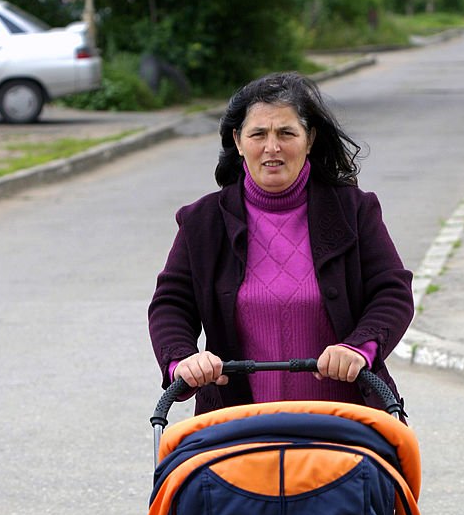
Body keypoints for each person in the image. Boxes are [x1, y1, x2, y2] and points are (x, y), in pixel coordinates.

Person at [148, 71, 414, 415]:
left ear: (310, 138)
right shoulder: (202, 222)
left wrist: (359, 348)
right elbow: (171, 304)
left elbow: (392, 291)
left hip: (347, 427)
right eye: (258, 134)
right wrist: (182, 360)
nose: (272, 147)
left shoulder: (356, 210)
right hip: (237, 427)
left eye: (286, 133)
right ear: (239, 141)